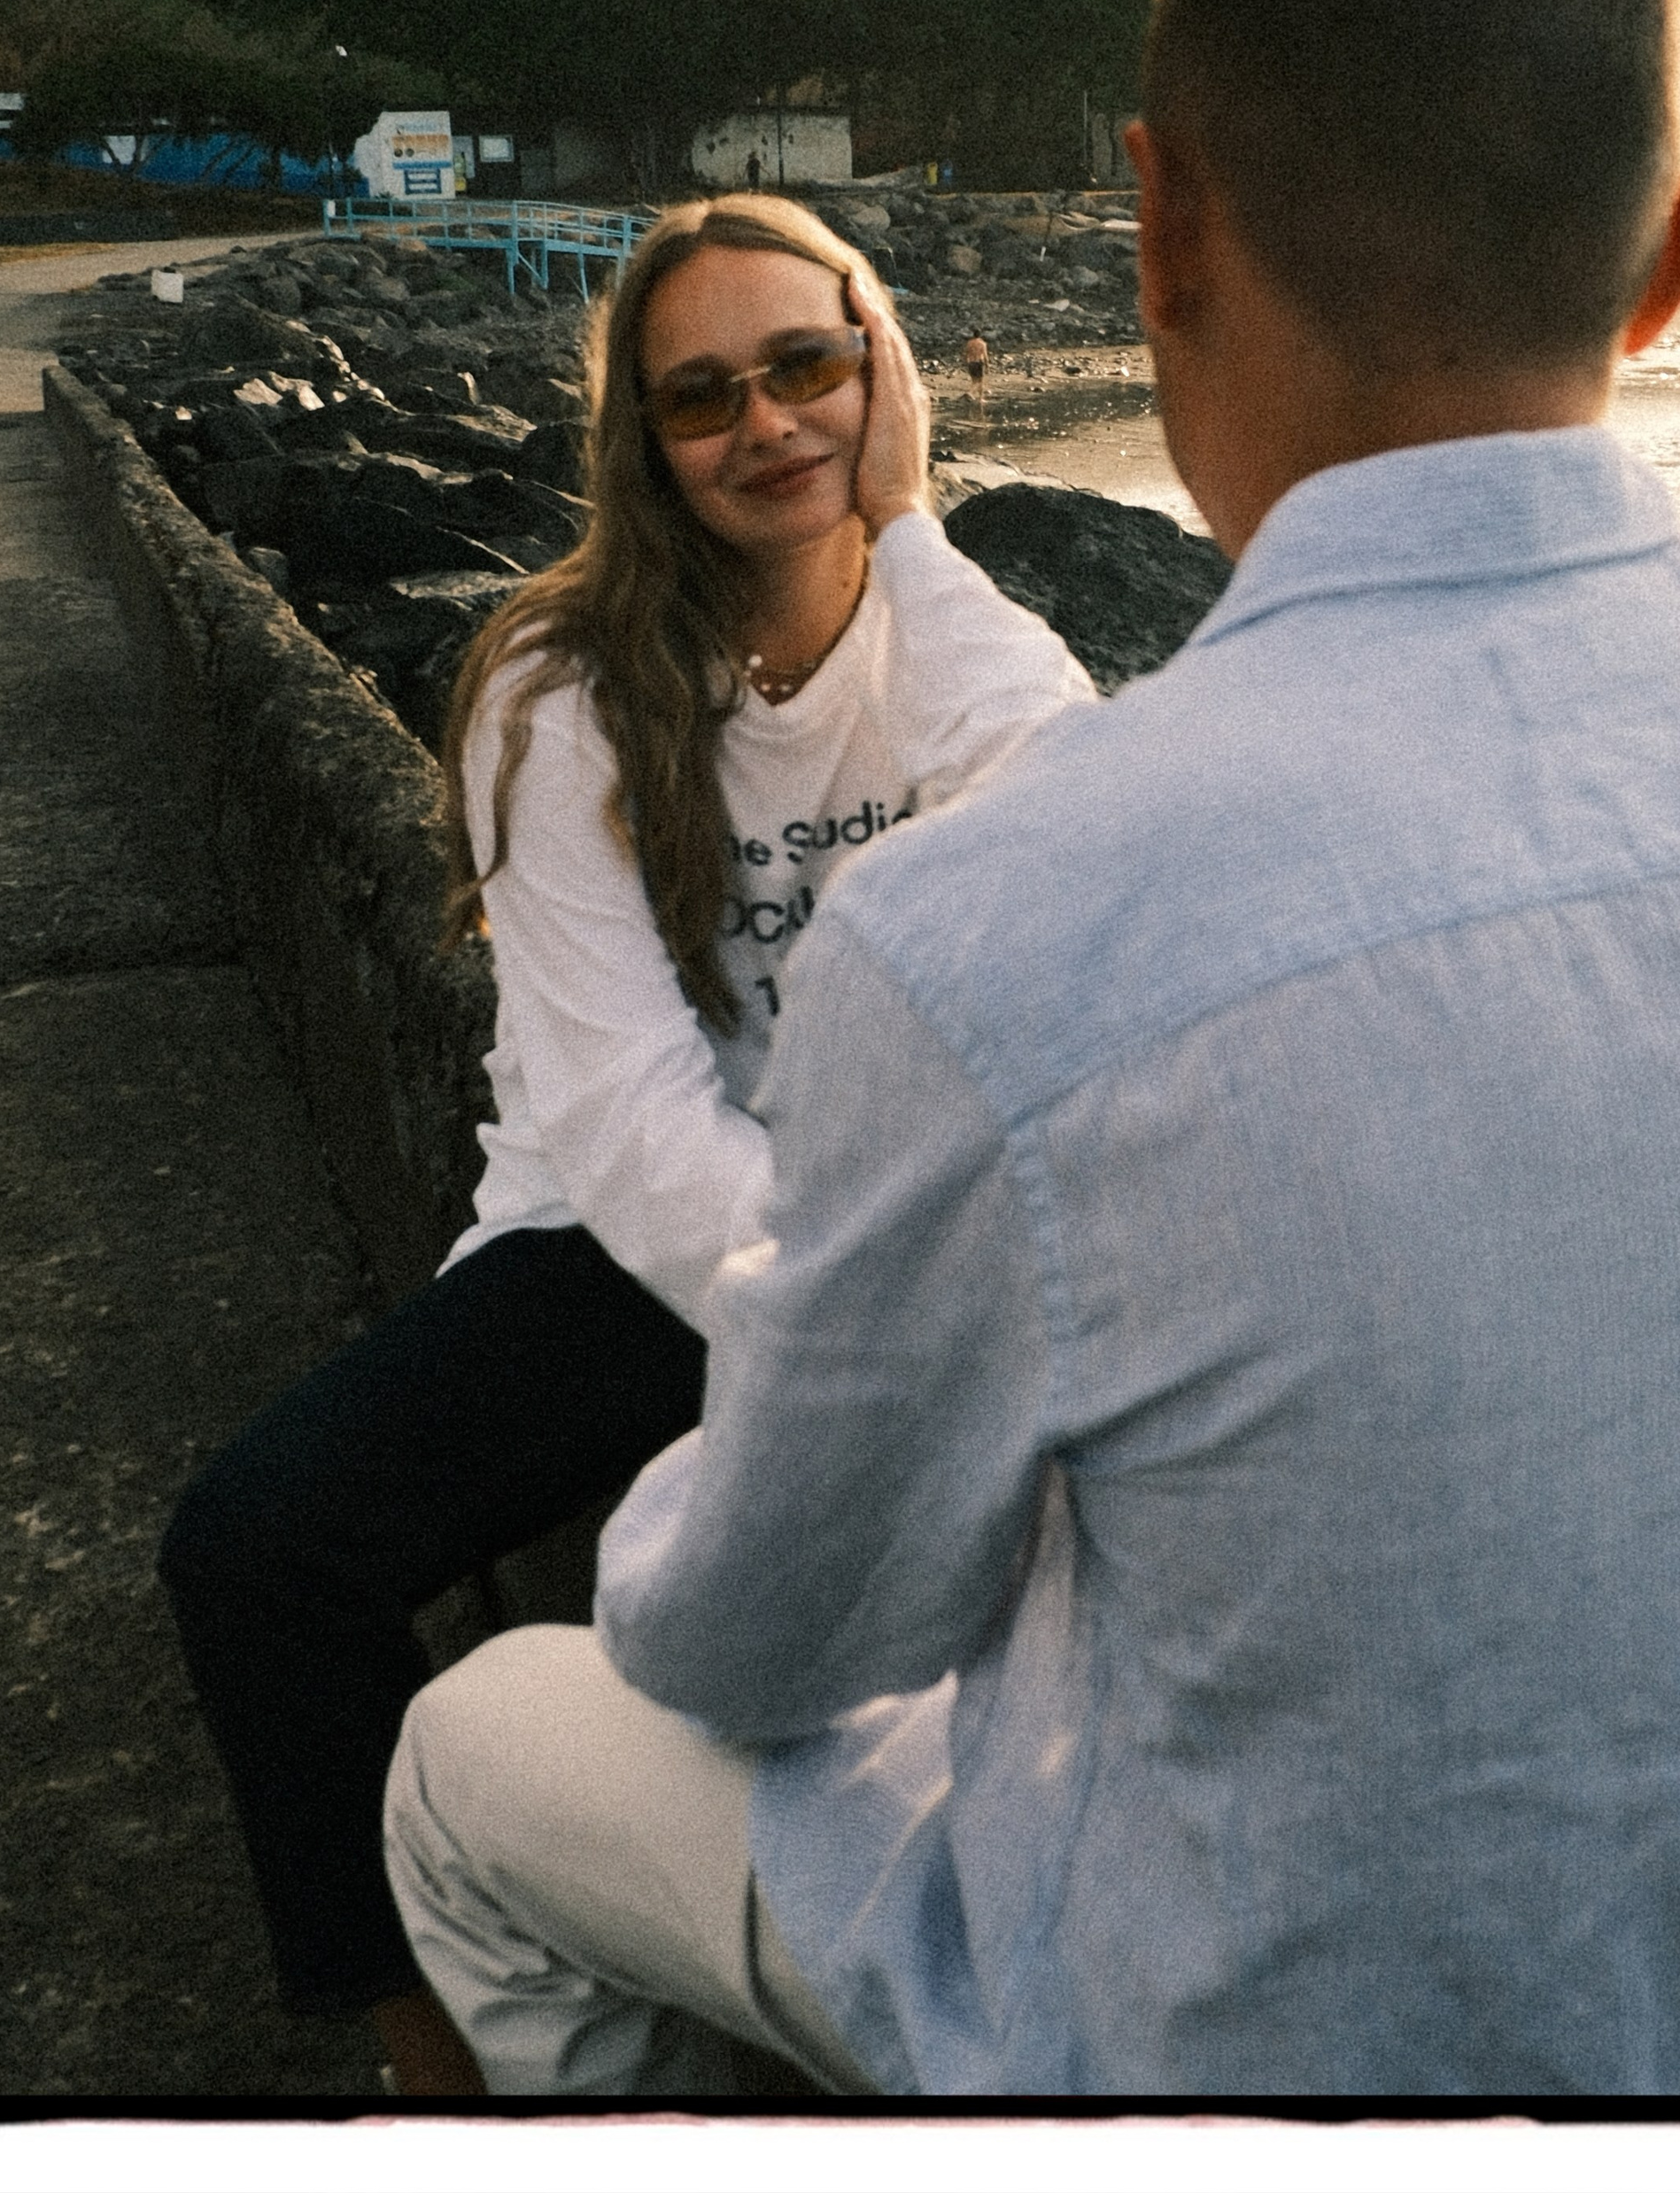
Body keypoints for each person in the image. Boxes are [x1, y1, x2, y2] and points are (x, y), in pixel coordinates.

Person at [383, 0, 1680, 2099]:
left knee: (473, 1750)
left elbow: (764, 1635)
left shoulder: (995, 927)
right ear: (1674, 260)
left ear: (1157, 227)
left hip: (1202, 2050)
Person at [159, 194, 1094, 2093]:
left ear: (883, 371)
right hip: (628, 1245)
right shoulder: (552, 686)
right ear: (641, 441)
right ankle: (430, 2054)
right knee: (255, 1543)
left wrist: (908, 524)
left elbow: (1073, 836)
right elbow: (627, 1112)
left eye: (809, 366)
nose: (766, 423)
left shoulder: (951, 646)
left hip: (897, 1233)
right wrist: (844, 1340)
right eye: (702, 395)